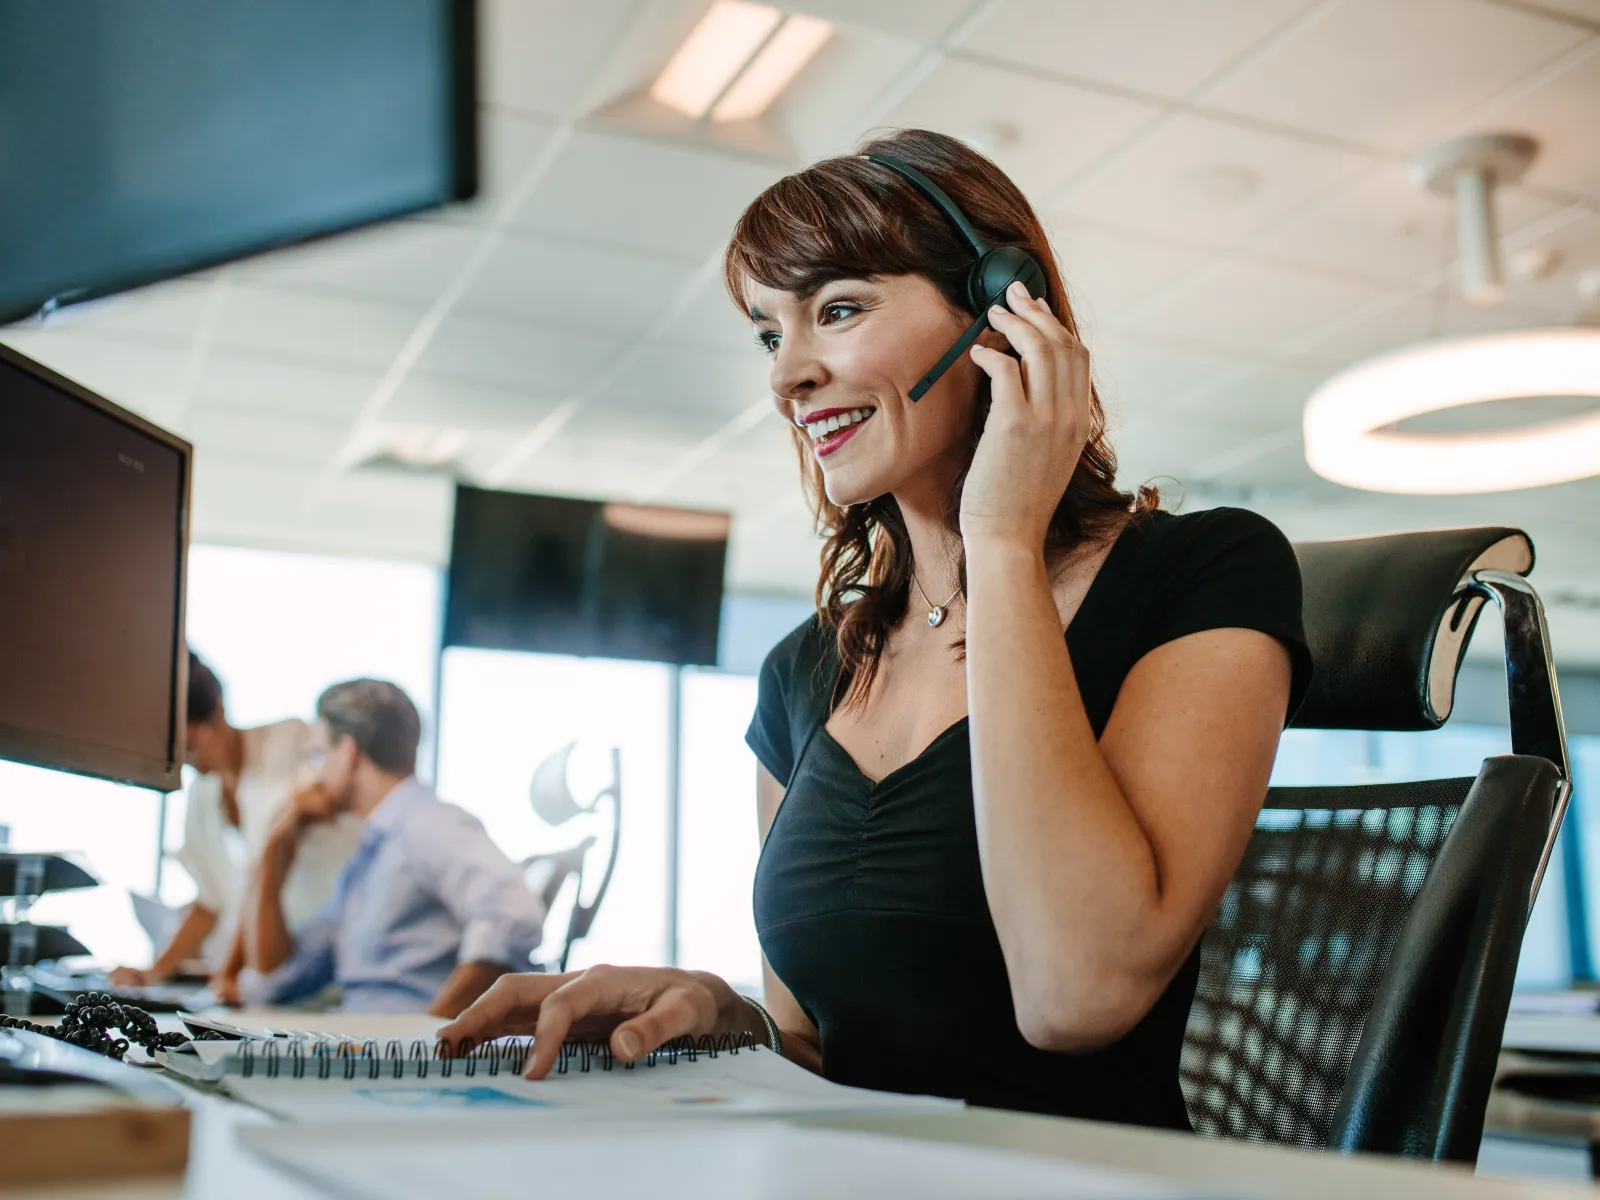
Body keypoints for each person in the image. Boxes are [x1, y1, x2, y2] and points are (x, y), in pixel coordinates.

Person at [440, 128, 1312, 1130]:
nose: (786, 379)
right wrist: (719, 1014)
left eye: (838, 311)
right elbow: (812, 1041)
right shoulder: (802, 670)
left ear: (1001, 312)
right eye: (771, 333)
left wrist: (1000, 540)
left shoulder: (1203, 571)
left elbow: (1078, 994)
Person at [238, 678, 546, 1016]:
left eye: (317, 755)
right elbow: (276, 977)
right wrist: (274, 853)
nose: (314, 773)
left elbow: (513, 915)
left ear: (347, 753)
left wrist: (430, 1039)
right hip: (363, 1040)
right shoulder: (371, 855)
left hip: (397, 1053)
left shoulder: (429, 823)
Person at [111, 654, 362, 995]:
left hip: (325, 955)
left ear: (218, 715)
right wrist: (154, 973)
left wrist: (228, 973)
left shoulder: (288, 742)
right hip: (267, 975)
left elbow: (269, 868)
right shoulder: (202, 793)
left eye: (192, 746)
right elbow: (209, 901)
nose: (188, 761)